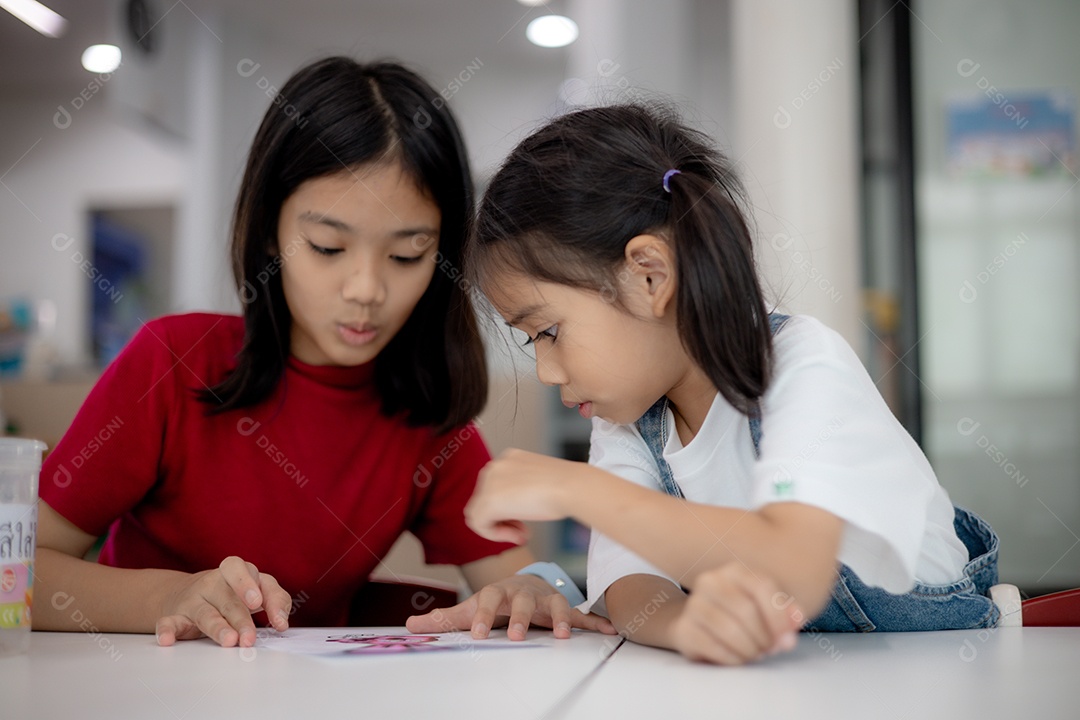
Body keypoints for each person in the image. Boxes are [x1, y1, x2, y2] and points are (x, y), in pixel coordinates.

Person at [34, 57, 613, 648]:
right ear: (267, 230)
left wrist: (531, 591)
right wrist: (166, 597)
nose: (366, 289)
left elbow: (518, 577)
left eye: (408, 255)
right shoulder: (173, 359)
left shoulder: (426, 413)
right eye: (328, 246)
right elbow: (21, 570)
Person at [456, 103, 1003, 665]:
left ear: (650, 275)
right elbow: (632, 588)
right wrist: (689, 625)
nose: (546, 372)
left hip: (935, 663)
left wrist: (578, 490)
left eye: (547, 331)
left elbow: (795, 563)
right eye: (530, 341)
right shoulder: (627, 422)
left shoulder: (802, 362)